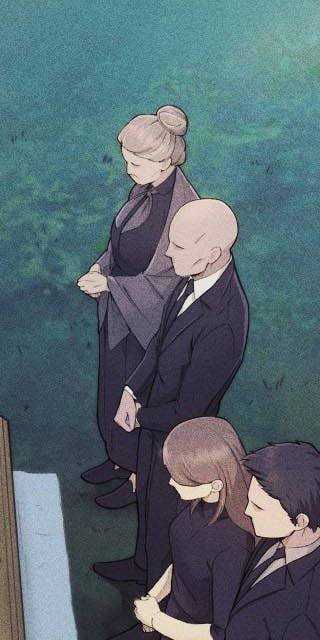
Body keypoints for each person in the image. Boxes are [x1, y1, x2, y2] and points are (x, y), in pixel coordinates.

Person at [93, 199, 249, 588]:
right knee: (148, 498)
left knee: (168, 514)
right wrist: (131, 387)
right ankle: (141, 565)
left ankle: (155, 591)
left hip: (181, 440)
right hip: (155, 425)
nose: (167, 252)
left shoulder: (225, 320)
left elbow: (190, 410)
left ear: (212, 253)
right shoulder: (189, 279)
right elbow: (158, 344)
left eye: (178, 245)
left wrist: (139, 416)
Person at [78, 106, 199, 511]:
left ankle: (136, 476)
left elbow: (172, 278)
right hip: (122, 311)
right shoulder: (143, 190)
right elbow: (120, 243)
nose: (129, 170)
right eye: (127, 161)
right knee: (112, 388)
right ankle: (117, 459)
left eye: (136, 162)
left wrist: (111, 285)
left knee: (137, 395)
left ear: (164, 160)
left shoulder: (183, 208)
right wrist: (102, 267)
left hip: (149, 322)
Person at [112, 417, 254, 639]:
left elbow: (221, 633)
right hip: (170, 617)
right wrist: (153, 598)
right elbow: (181, 565)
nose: (171, 482)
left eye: (182, 478)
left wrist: (155, 620)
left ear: (216, 484)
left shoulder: (234, 544)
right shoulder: (194, 506)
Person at [205, 442, 320, 639]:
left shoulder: (309, 604)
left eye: (259, 507)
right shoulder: (275, 537)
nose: (247, 511)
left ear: (300, 522)